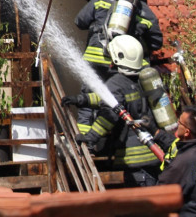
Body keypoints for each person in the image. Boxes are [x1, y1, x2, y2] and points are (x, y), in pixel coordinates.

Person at [62, 34, 163, 187]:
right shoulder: (142, 79)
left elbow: (109, 115)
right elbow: (113, 100)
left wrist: (90, 137)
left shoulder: (117, 83)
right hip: (154, 154)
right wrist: (81, 100)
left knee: (140, 209)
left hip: (133, 160)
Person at [75, 0, 163, 79]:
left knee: (90, 97)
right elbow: (156, 43)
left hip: (95, 62)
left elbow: (80, 22)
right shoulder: (147, 13)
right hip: (126, 67)